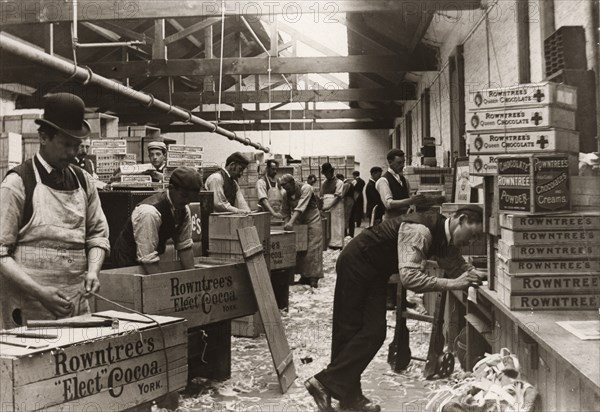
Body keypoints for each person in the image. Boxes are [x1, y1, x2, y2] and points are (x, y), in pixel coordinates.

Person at [305, 205, 487, 412]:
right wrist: (454, 284)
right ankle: (338, 392)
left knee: (374, 332)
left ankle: (338, 391)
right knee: (349, 331)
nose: (471, 242)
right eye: (472, 234)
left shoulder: (444, 235)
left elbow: (454, 262)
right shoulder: (421, 231)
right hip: (356, 262)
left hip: (375, 270)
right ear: (461, 220)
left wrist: (477, 274)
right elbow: (410, 278)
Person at [0, 93, 110, 329]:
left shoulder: (85, 182)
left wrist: (93, 271)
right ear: (43, 137)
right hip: (28, 312)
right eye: (66, 144)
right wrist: (40, 293)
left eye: (77, 145)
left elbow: (98, 236)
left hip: (77, 307)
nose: (72, 153)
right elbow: (1, 254)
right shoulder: (18, 183)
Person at [112, 167, 202, 273]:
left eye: (191, 198)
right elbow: (147, 259)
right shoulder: (149, 212)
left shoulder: (183, 209)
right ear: (171, 187)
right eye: (183, 196)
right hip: (126, 266)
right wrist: (163, 285)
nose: (187, 201)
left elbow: (184, 247)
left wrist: (192, 278)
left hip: (147, 262)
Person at [280, 174, 324, 288]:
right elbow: (285, 211)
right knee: (301, 250)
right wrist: (287, 224)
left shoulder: (306, 188)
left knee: (313, 248)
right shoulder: (286, 194)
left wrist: (291, 222)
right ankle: (304, 276)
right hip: (299, 222)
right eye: (284, 188)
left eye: (287, 187)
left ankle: (314, 277)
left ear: (293, 182)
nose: (286, 190)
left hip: (312, 220)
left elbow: (301, 207)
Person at [376, 148, 427, 220]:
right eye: (399, 163)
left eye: (403, 162)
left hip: (405, 219)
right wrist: (410, 200)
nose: (402, 165)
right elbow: (389, 204)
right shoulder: (383, 181)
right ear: (390, 162)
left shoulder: (404, 180)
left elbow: (409, 197)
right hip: (391, 223)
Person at [320, 163, 344, 249]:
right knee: (327, 225)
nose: (326, 175)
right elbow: (322, 195)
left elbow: (338, 197)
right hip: (326, 206)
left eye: (327, 173)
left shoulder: (339, 182)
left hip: (336, 206)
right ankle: (328, 243)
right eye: (325, 174)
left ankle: (337, 244)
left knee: (336, 224)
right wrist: (322, 205)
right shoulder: (324, 183)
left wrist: (329, 206)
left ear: (331, 172)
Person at [338, 174, 356, 238]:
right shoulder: (349, 183)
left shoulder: (346, 184)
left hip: (348, 201)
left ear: (341, 178)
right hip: (351, 201)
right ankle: (350, 233)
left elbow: (342, 194)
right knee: (350, 217)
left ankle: (346, 233)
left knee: (346, 217)